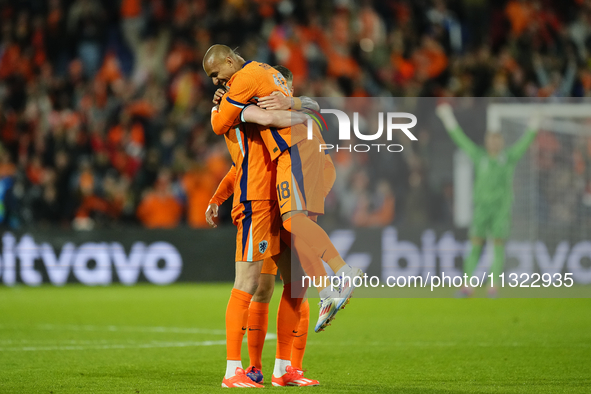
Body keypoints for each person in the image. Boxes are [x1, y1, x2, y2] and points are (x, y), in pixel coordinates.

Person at [202, 45, 362, 336]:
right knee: (294, 231)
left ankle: (343, 272)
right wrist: (299, 105)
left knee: (292, 223)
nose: (216, 82)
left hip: (295, 149)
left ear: (228, 61)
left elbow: (219, 124)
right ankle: (327, 292)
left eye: (216, 75)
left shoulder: (244, 78)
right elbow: (307, 105)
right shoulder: (263, 72)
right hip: (300, 153)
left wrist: (217, 105)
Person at [206, 65, 330, 387]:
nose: (280, 94)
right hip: (255, 201)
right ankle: (236, 369)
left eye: (284, 90)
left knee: (295, 285)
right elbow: (239, 161)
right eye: (278, 90)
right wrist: (302, 113)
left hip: (282, 201)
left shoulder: (263, 108)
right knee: (252, 285)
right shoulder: (244, 110)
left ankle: (284, 368)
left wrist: (299, 107)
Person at [436, 103, 538, 297]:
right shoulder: (479, 156)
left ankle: (493, 286)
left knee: (497, 247)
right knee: (475, 245)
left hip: (501, 210)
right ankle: (467, 286)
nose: (493, 143)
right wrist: (448, 118)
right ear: (486, 141)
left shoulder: (508, 158)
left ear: (501, 142)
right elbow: (460, 139)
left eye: (497, 140)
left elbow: (524, 143)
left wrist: (533, 125)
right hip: (481, 209)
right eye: (490, 140)